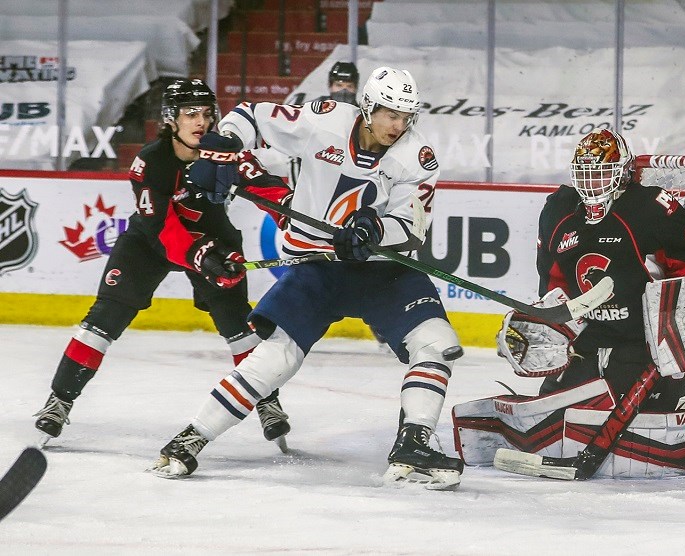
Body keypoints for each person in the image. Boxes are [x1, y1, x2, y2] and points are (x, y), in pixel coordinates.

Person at [151, 67, 465, 490]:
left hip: (382, 270)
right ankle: (189, 439)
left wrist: (374, 231)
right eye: (389, 113)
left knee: (436, 343)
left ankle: (413, 444)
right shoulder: (324, 119)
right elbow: (252, 114)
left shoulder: (417, 156)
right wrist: (223, 147)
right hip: (317, 265)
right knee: (276, 357)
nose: (397, 124)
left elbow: (411, 226)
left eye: (405, 116)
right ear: (368, 107)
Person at [32, 79, 295, 450]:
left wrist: (295, 217)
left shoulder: (226, 154)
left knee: (240, 327)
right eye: (190, 114)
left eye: (206, 113)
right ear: (171, 119)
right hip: (149, 244)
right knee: (104, 318)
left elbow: (267, 188)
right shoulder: (150, 162)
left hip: (214, 242)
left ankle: (268, 403)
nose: (200, 122)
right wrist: (200, 255)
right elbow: (165, 229)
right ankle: (59, 400)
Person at [522, 129, 685, 407]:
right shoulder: (559, 209)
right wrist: (557, 322)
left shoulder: (649, 207)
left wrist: (672, 320)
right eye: (586, 174)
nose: (592, 183)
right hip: (588, 337)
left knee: (629, 411)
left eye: (602, 173)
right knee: (552, 406)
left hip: (643, 341)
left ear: (624, 172)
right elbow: (552, 278)